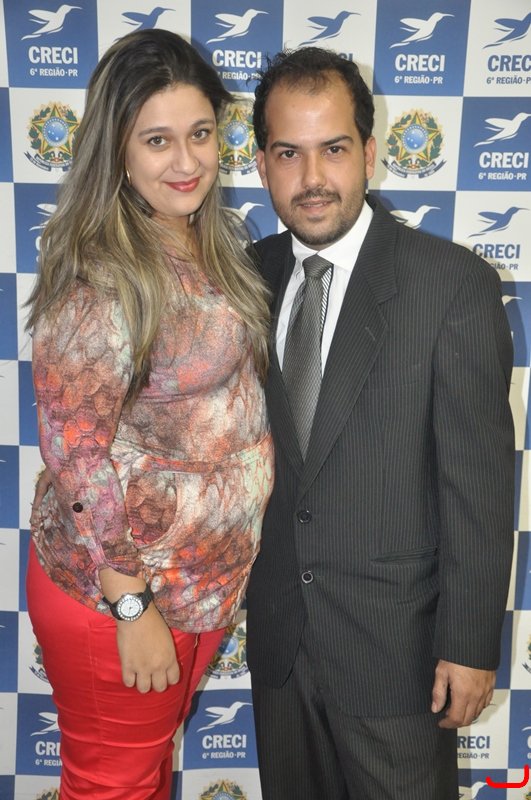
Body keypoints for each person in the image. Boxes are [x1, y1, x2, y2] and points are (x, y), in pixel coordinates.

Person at [244, 47, 515, 800]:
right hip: (281, 650)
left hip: (399, 660)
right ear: (261, 164)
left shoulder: (451, 284)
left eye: (333, 149)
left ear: (368, 153)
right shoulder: (243, 278)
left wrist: (469, 645)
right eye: (288, 154)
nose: (312, 178)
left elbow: (479, 486)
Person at [26, 29, 273, 800]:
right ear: (117, 151)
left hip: (192, 588)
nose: (187, 160)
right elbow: (77, 456)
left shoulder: (204, 238)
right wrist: (130, 604)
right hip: (121, 597)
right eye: (157, 140)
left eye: (200, 134)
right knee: (114, 786)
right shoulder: (100, 276)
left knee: (141, 776)